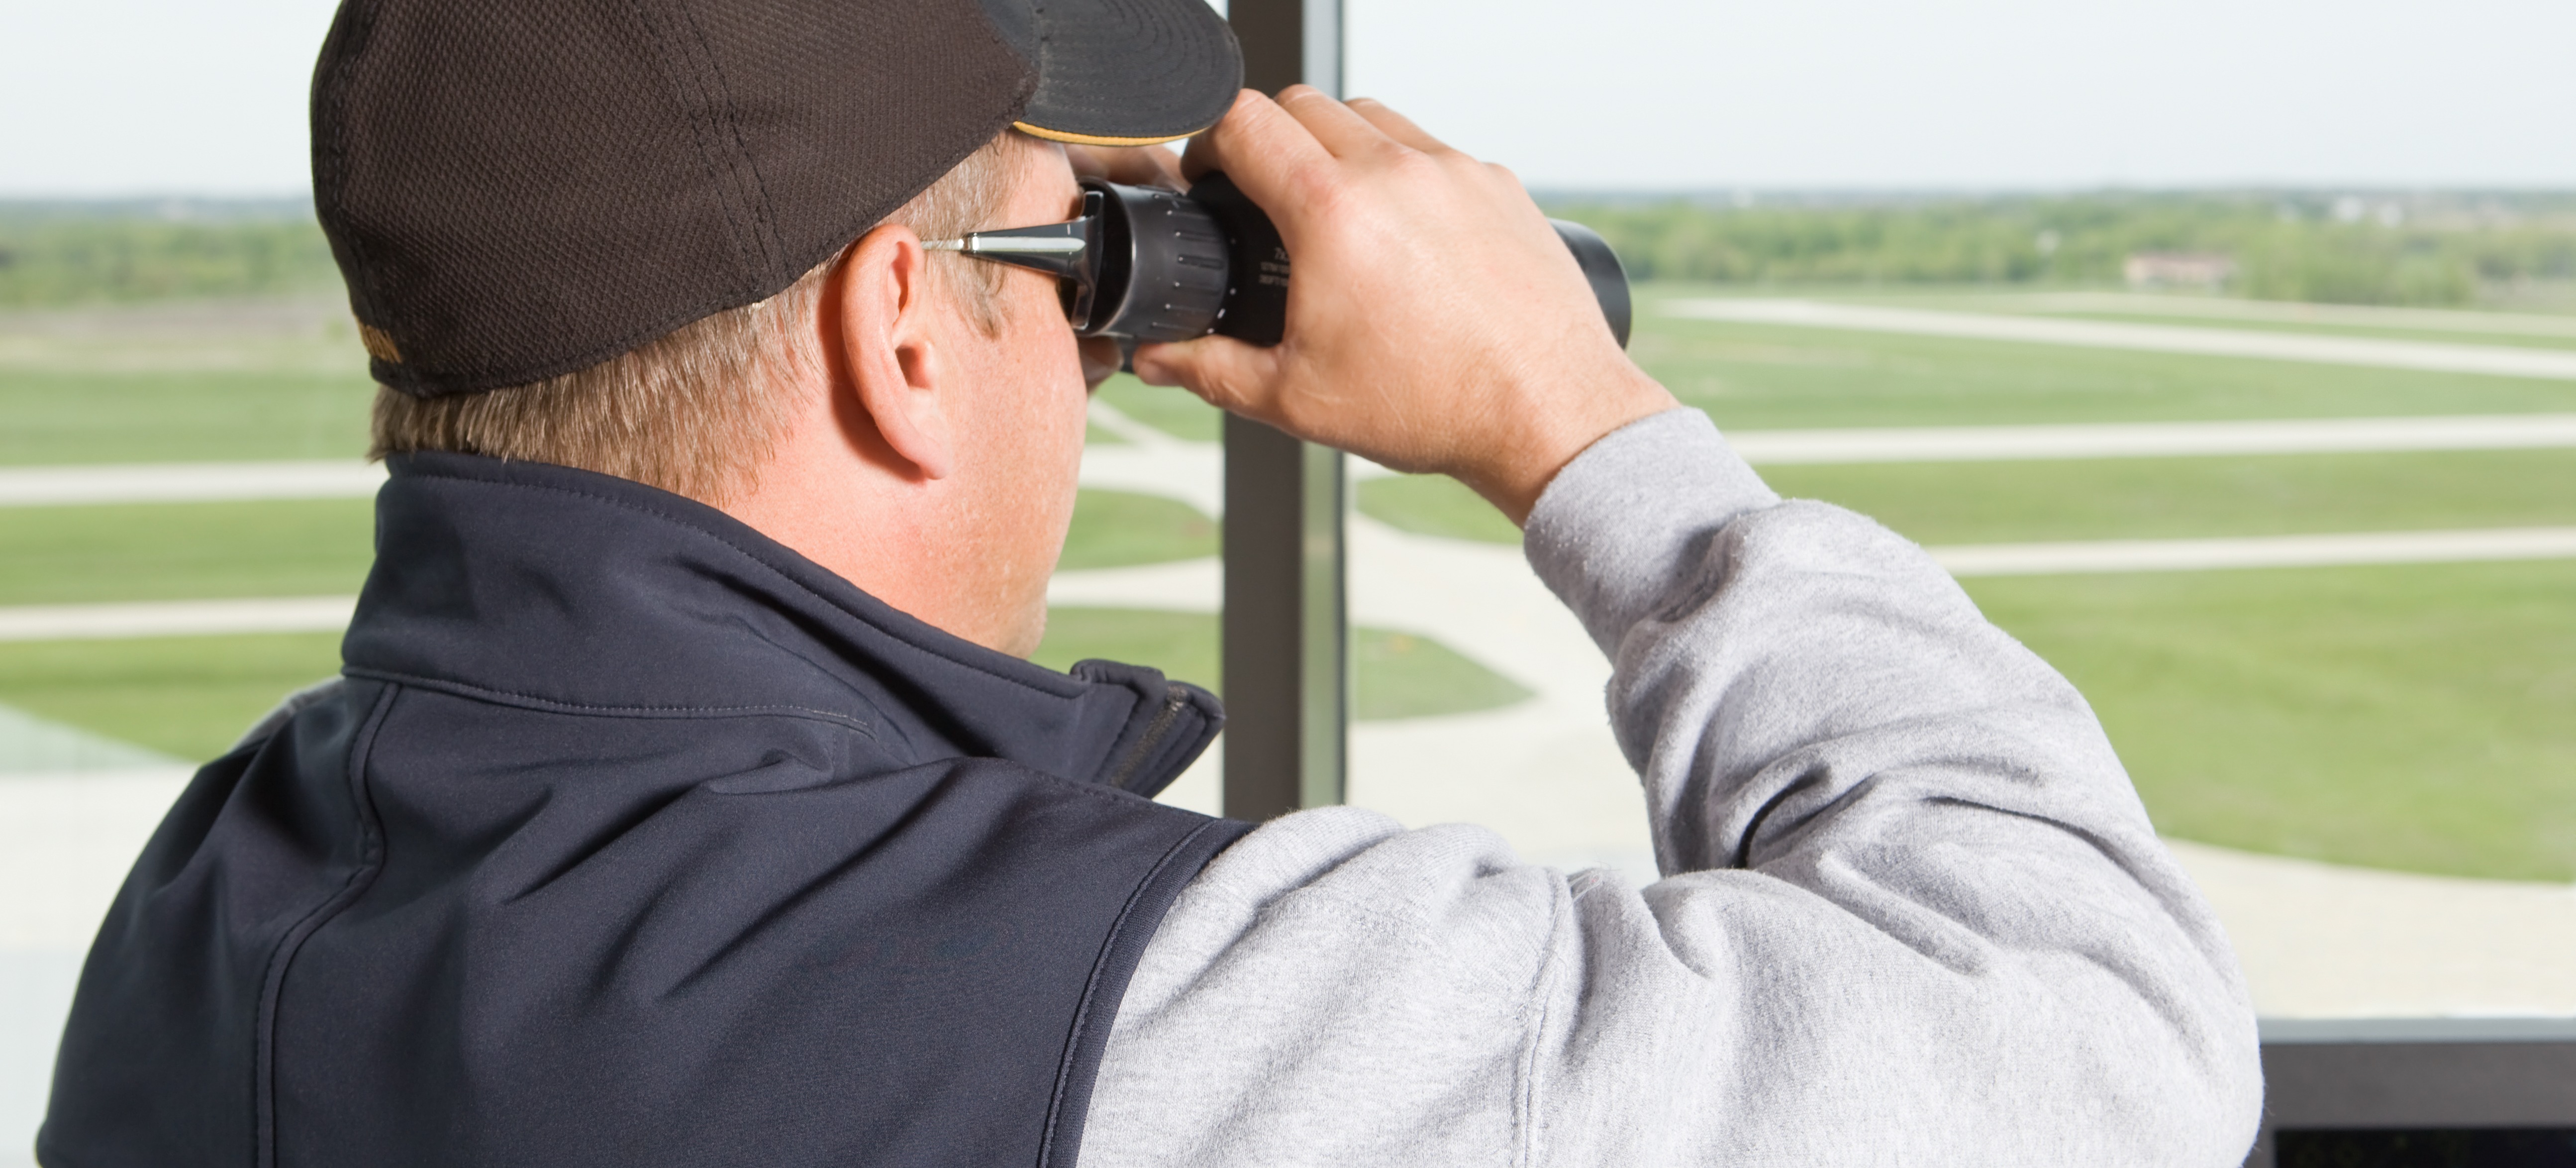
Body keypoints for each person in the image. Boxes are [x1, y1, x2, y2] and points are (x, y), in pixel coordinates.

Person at [40, 0, 2263, 1163]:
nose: (1091, 366)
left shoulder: (210, 909)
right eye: (1065, 252)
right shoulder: (1143, 1023)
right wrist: (1577, 422)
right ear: (903, 335)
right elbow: (2105, 1056)